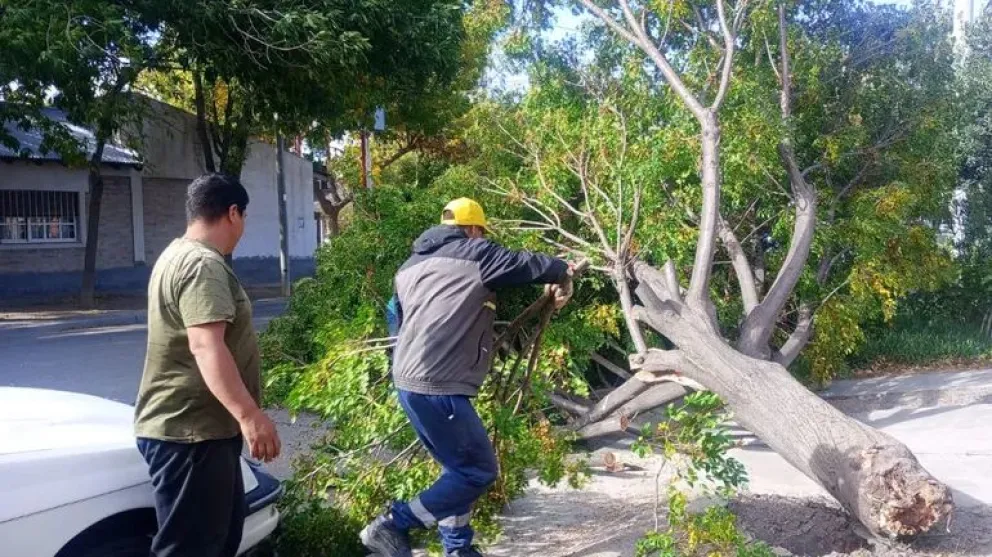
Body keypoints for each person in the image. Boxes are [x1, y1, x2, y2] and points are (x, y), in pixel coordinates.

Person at [361, 198, 574, 557]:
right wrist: (561, 270)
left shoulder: (409, 266)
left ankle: (458, 549)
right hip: (437, 383)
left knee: (457, 471)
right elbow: (524, 264)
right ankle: (392, 523)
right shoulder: (474, 253)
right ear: (474, 230)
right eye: (482, 233)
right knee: (478, 471)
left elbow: (393, 316)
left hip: (409, 381)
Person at [133, 173, 281, 557]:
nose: (242, 228)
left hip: (201, 432)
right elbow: (205, 346)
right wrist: (250, 415)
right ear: (233, 213)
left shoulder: (176, 254)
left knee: (218, 541)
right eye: (244, 217)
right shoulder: (202, 264)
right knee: (192, 550)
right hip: (190, 433)